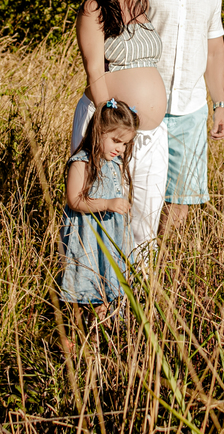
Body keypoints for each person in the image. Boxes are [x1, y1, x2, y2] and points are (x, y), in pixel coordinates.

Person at [72, 0, 169, 258]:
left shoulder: (142, 6)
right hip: (109, 126)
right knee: (103, 207)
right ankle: (96, 294)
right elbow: (95, 74)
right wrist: (109, 130)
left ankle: (137, 290)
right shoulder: (94, 9)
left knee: (147, 207)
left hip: (152, 131)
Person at [148, 0, 224, 236]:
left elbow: (214, 50)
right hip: (145, 108)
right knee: (140, 191)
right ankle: (132, 258)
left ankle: (157, 264)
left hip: (190, 110)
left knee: (181, 198)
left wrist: (219, 104)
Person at [59, 100, 138, 345]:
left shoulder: (114, 164)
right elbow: (74, 200)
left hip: (110, 237)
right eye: (116, 141)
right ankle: (72, 338)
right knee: (82, 287)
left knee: (107, 285)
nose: (121, 149)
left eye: (125, 143)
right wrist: (107, 204)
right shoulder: (81, 162)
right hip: (87, 238)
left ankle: (97, 336)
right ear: (98, 131)